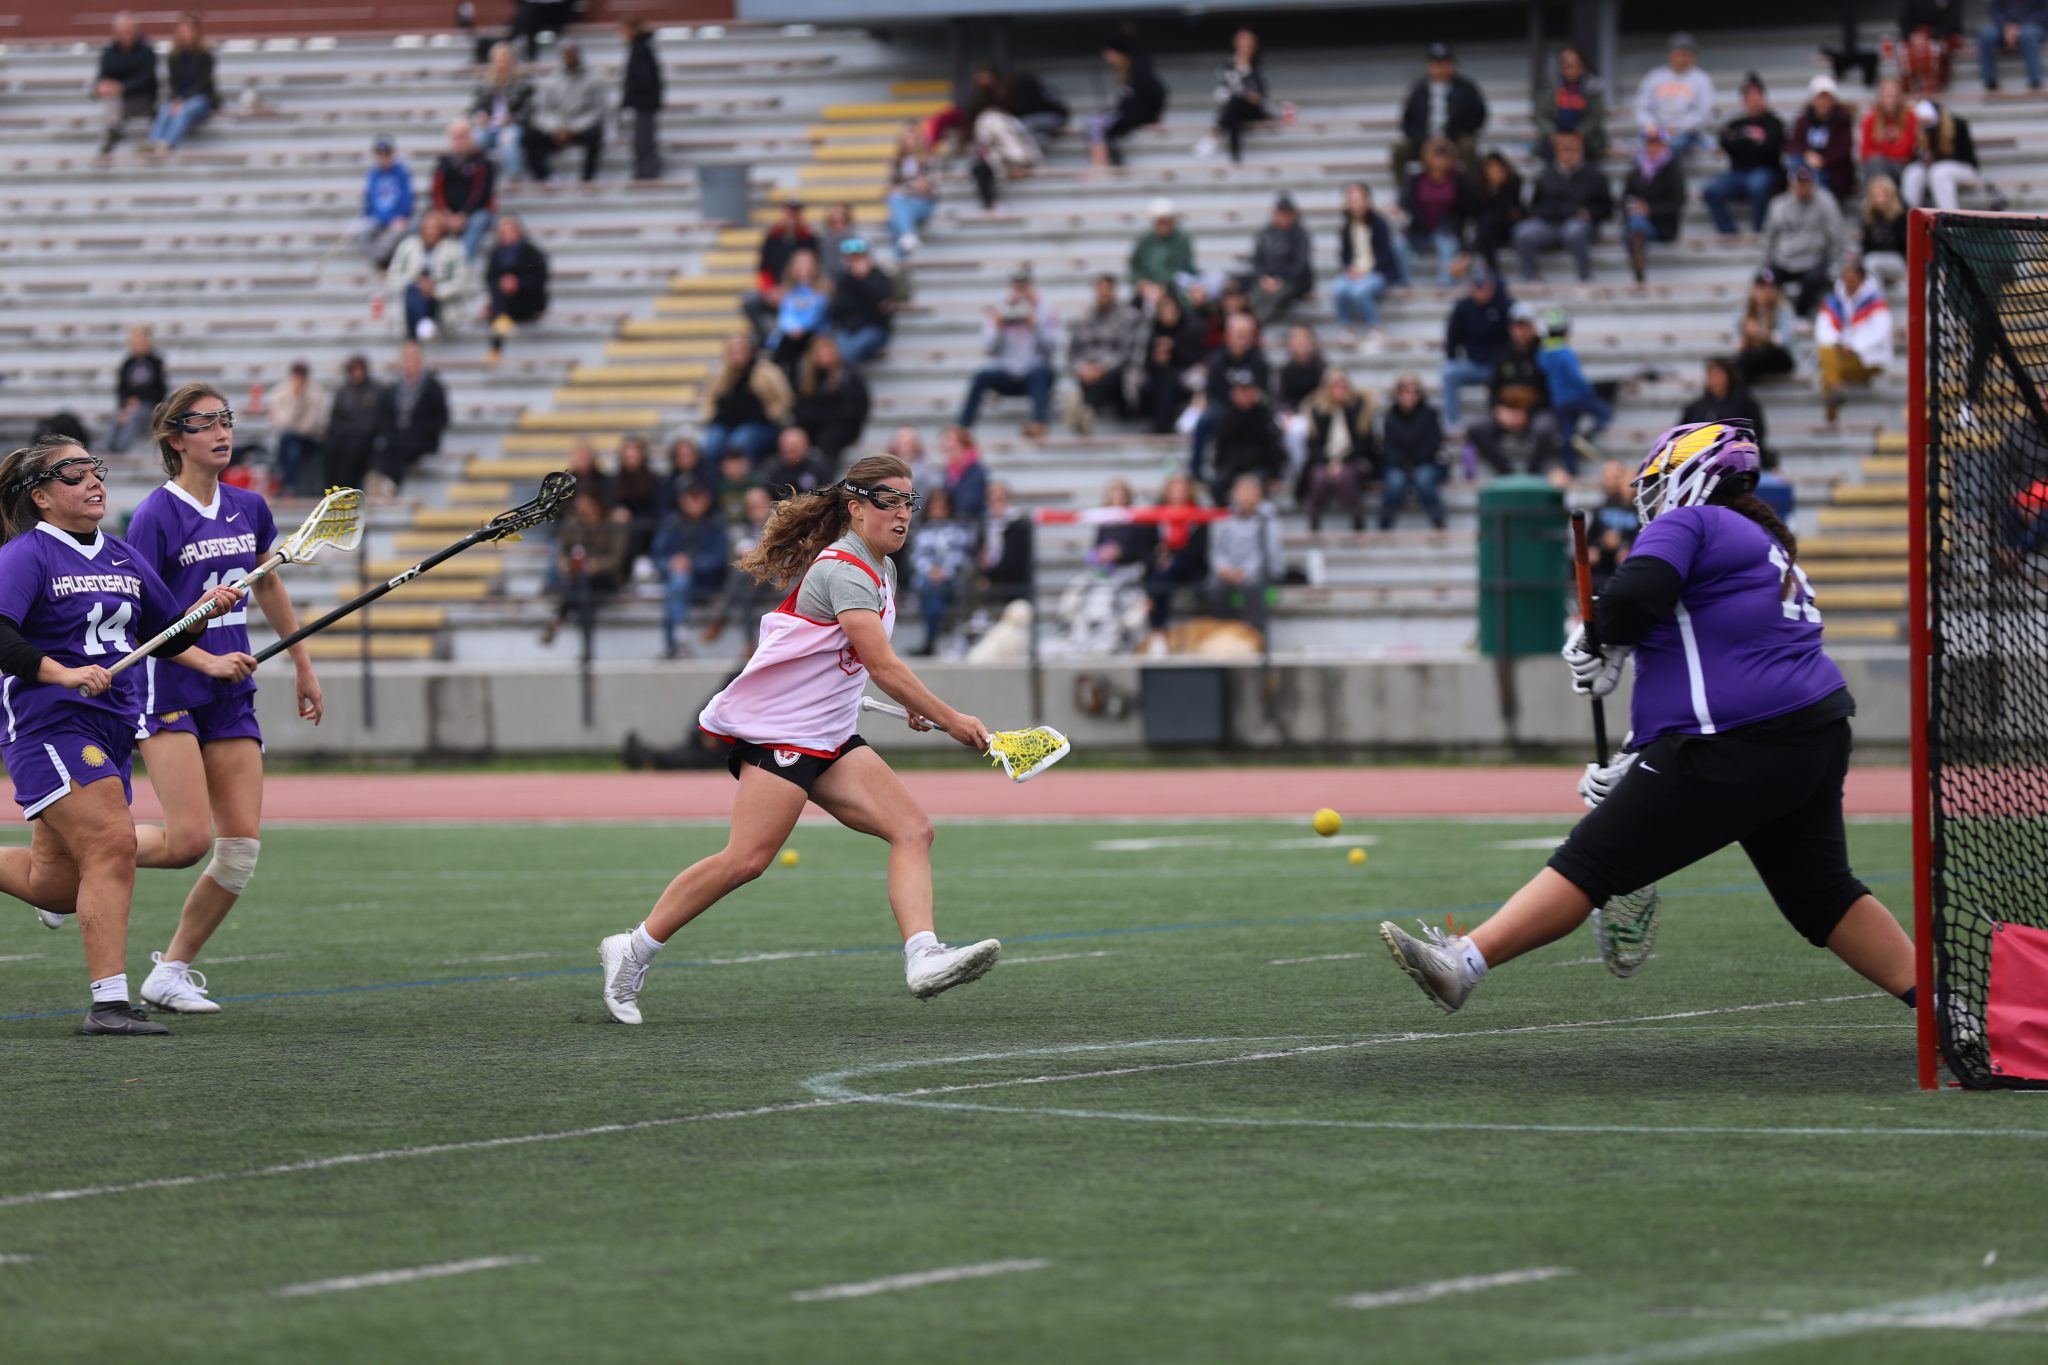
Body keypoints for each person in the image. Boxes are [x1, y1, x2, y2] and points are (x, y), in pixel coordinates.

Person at [1380, 422, 1919, 1031]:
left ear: (1693, 477)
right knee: (1823, 893)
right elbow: (1707, 651)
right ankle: (1943, 1004)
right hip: (1815, 731)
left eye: (1659, 482)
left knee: (1589, 861)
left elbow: (1637, 597)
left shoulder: (1690, 522)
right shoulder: (1760, 540)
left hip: (1738, 738)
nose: (1651, 497)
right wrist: (1638, 750)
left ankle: (1464, 963)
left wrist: (1598, 635)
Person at [597, 456, 1003, 1023]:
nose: (903, 513)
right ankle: (632, 949)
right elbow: (882, 665)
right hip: (781, 734)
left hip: (829, 734)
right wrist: (950, 718)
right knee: (746, 860)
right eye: (889, 501)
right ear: (856, 508)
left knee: (913, 830)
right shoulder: (845, 570)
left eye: (909, 501)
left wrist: (915, 706)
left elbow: (851, 660)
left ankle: (923, 957)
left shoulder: (883, 569)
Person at [0, 435, 244, 1034]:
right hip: (49, 721)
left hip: (112, 725)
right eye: (72, 473)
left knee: (55, 888)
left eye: (94, 469)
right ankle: (109, 1006)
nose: (92, 481)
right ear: (41, 497)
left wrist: (204, 614)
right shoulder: (27, 555)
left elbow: (167, 634)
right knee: (112, 843)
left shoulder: (120, 555)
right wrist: (63, 673)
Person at [125, 385, 324, 1018]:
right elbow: (142, 619)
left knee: (239, 850)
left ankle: (171, 970)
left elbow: (268, 585)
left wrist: (302, 663)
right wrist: (202, 641)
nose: (221, 431)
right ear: (174, 438)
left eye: (226, 419)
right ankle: (76, 854)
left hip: (231, 689)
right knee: (186, 842)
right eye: (204, 422)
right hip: (170, 687)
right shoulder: (155, 515)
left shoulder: (248, 506)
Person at [958, 267, 1060, 439]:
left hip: (1035, 375)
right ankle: (963, 428)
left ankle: (1039, 424)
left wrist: (1035, 325)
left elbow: (1052, 347)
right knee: (981, 377)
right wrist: (999, 328)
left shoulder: (1046, 309)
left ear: (1031, 286)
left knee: (1039, 373)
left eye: (1024, 287)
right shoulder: (999, 309)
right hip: (1008, 374)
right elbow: (989, 348)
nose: (1021, 292)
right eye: (1017, 287)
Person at [1513, 129, 1613, 284]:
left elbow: (1607, 207)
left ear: (1581, 149)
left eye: (1572, 148)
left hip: (1578, 224)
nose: (1568, 153)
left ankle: (1585, 278)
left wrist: (1590, 213)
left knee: (1574, 231)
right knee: (1523, 232)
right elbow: (1535, 207)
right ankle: (1532, 279)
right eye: (1563, 149)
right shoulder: (1546, 175)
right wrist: (1552, 212)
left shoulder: (1595, 175)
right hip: (1549, 224)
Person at [1187, 313, 1268, 482]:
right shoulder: (1216, 359)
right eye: (1239, 336)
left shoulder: (1259, 360)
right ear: (1228, 336)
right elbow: (1212, 391)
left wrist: (1248, 399)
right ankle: (1196, 469)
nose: (1242, 341)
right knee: (1204, 421)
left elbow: (1264, 391)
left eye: (1246, 336)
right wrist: (1233, 400)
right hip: (1223, 406)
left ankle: (1269, 470)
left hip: (1252, 408)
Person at [651, 481, 728, 658]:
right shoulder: (672, 523)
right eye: (690, 497)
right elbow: (657, 556)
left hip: (706, 582)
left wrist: (691, 563)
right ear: (681, 500)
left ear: (707, 500)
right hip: (677, 580)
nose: (694, 502)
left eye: (698, 497)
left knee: (678, 583)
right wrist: (671, 563)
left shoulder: (716, 523)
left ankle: (674, 642)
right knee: (679, 582)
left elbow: (720, 558)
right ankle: (679, 639)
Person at [1703, 74, 1785, 236]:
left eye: (1757, 97)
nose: (1754, 102)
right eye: (1750, 98)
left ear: (1764, 99)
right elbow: (1725, 142)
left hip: (1765, 171)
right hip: (1738, 173)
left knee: (1757, 185)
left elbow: (1770, 148)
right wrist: (1750, 139)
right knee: (1711, 190)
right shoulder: (1736, 123)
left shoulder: (1774, 123)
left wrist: (1741, 139)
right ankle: (1728, 232)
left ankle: (1758, 231)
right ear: (1744, 101)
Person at [1760, 165, 1847, 318]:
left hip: (1813, 260)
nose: (1803, 188)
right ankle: (1772, 317)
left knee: (1815, 279)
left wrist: (1835, 264)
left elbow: (1836, 236)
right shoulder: (1778, 205)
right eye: (1800, 185)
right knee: (1765, 279)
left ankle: (1800, 314)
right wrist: (1766, 264)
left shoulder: (1826, 202)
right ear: (1791, 185)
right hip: (1784, 260)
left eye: (1807, 184)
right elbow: (1769, 237)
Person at [543, 491, 629, 645]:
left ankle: (559, 620)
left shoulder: (612, 525)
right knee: (584, 596)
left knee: (581, 588)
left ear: (597, 505)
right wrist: (564, 562)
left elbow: (616, 558)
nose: (584, 511)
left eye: (588, 506)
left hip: (606, 577)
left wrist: (596, 565)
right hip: (580, 577)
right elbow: (561, 551)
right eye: (580, 507)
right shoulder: (572, 525)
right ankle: (587, 649)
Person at [1815, 257, 1892, 424]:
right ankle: (1835, 393)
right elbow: (1823, 329)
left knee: (1827, 369)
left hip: (1868, 359)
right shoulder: (1833, 302)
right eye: (1846, 279)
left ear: (1861, 280)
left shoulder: (1876, 302)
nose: (1849, 283)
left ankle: (1832, 415)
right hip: (1842, 356)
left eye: (1853, 279)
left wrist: (1853, 347)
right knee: (1826, 351)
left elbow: (1880, 332)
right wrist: (1839, 345)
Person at [1393, 42, 1487, 178]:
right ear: (1429, 66)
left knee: (1468, 146)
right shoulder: (1419, 90)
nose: (1440, 67)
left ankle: (1471, 185)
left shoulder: (1466, 88)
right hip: (1423, 140)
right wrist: (1421, 139)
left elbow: (1478, 115)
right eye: (1436, 63)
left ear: (1452, 65)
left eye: (1444, 63)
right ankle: (1404, 189)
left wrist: (1456, 133)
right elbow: (1408, 119)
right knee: (1400, 149)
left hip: (1455, 139)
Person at [1205, 474, 1282, 635]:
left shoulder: (1267, 517)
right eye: (1243, 491)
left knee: (1253, 587)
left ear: (1259, 495)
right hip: (1227, 569)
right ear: (1235, 494)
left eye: (1252, 492)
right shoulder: (1223, 516)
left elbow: (1268, 551)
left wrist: (1245, 572)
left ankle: (1255, 633)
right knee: (1213, 589)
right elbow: (1216, 549)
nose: (1247, 496)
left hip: (1257, 570)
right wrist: (1224, 569)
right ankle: (1228, 631)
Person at [700, 334, 793, 464]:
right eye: (734, 351)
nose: (737, 355)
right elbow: (709, 399)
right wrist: (711, 415)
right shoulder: (721, 375)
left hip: (760, 424)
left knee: (739, 443)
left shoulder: (767, 372)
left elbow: (785, 398)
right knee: (712, 444)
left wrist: (771, 415)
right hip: (726, 424)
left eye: (741, 350)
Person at [1067, 273, 1141, 434]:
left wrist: (1101, 368)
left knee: (1114, 377)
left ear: (1115, 291)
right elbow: (1073, 353)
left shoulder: (1128, 316)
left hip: (1116, 376)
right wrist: (1082, 369)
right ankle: (1086, 408)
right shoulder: (1083, 318)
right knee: (1090, 380)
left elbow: (1126, 352)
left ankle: (1085, 404)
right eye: (1100, 289)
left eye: (1107, 288)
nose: (1104, 293)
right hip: (1087, 373)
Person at [522, 41, 604, 184]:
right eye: (566, 54)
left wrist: (572, 128)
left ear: (578, 55)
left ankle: (587, 179)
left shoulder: (593, 80)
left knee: (595, 134)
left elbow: (596, 111)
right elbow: (543, 110)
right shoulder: (551, 80)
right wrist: (557, 128)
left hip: (580, 128)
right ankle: (545, 177)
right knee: (529, 137)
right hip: (556, 129)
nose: (569, 57)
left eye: (572, 53)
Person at [1142, 472, 1211, 642]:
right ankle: (1159, 631)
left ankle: (1157, 629)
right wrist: (1159, 556)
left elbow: (1198, 550)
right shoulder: (1156, 514)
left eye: (1182, 490)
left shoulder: (1198, 515)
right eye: (1175, 490)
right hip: (1161, 566)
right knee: (1161, 576)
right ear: (1167, 492)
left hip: (1190, 567)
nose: (1178, 493)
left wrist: (1171, 558)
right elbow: (1147, 548)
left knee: (1162, 576)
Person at [1303, 370, 1375, 533]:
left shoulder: (1359, 410)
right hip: (1324, 461)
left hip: (1354, 460)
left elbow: (1365, 445)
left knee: (1346, 476)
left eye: (1343, 387)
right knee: (1318, 476)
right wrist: (1329, 462)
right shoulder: (1317, 412)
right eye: (1336, 387)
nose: (1340, 391)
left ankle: (1357, 518)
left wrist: (1342, 462)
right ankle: (1315, 519)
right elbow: (1313, 446)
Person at [1440, 271, 1513, 429]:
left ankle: (1505, 420)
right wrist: (1452, 356)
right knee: (1448, 372)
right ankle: (1453, 423)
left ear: (1492, 287)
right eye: (1476, 287)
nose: (1480, 292)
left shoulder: (1504, 306)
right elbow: (1452, 337)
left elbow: (1513, 338)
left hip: (1500, 365)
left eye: (1484, 287)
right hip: (1473, 363)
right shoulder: (1462, 308)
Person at [372, 342, 450, 492]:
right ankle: (381, 486)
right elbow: (384, 418)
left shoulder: (433, 388)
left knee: (397, 449)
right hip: (397, 439)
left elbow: (441, 419)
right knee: (381, 448)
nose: (409, 363)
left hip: (423, 439)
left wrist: (420, 430)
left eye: (412, 359)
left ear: (421, 361)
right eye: (406, 359)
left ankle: (390, 487)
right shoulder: (393, 388)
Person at [1397, 142, 1473, 291]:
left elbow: (1466, 210)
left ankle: (1444, 283)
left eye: (1443, 156)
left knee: (1448, 244)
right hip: (1419, 229)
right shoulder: (1416, 179)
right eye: (1436, 156)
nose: (1439, 161)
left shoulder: (1460, 180)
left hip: (1447, 229)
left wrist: (1465, 245)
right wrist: (1398, 209)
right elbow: (1405, 201)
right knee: (1399, 244)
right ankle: (1404, 282)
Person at [1334, 183, 1402, 350]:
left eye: (1358, 200)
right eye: (1351, 200)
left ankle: (1375, 328)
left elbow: (1385, 255)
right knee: (1338, 289)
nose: (1355, 204)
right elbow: (1345, 256)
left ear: (1367, 201)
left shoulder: (1379, 224)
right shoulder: (1346, 227)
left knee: (1360, 292)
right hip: (1355, 272)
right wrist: (1350, 269)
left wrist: (1365, 271)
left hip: (1378, 273)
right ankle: (1347, 328)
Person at [385, 210, 469, 343]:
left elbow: (460, 282)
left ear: (442, 230)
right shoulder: (408, 245)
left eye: (435, 228)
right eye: (428, 227)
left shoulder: (454, 249)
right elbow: (393, 275)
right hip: (410, 296)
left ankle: (417, 333)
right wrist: (416, 283)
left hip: (441, 302)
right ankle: (423, 323)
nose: (431, 232)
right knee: (414, 291)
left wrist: (435, 290)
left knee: (422, 293)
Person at [907, 486, 973, 654]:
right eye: (934, 505)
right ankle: (936, 629)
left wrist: (943, 571)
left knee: (934, 590)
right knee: (929, 588)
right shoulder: (921, 531)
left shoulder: (958, 531)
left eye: (942, 505)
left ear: (949, 507)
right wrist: (930, 570)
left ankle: (931, 639)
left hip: (951, 578)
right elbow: (916, 556)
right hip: (927, 578)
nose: (938, 509)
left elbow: (960, 556)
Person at [1130, 291, 1207, 435]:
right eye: (1164, 309)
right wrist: (1157, 359)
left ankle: (1161, 425)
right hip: (1158, 374)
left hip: (1187, 373)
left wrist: (1174, 352)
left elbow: (1197, 356)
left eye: (1171, 309)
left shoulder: (1191, 327)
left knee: (1167, 381)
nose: (1168, 314)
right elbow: (1145, 361)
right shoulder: (1153, 330)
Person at [1207, 368, 1286, 506]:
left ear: (1255, 392)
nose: (1244, 394)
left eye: (1248, 390)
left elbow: (1273, 447)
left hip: (1259, 465)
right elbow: (1221, 446)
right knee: (1217, 485)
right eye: (1240, 390)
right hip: (1233, 465)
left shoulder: (1265, 415)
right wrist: (1220, 468)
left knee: (1254, 486)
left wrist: (1275, 474)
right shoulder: (1225, 416)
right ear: (1233, 393)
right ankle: (1228, 515)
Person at [741, 199, 816, 341]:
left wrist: (791, 290)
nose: (792, 217)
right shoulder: (772, 237)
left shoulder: (808, 239)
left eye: (795, 213)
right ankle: (770, 336)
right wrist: (770, 290)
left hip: (800, 291)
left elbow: (813, 270)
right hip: (775, 290)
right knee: (750, 302)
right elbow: (764, 269)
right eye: (790, 212)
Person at [1537, 308, 1610, 452]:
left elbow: (1543, 370)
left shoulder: (1542, 351)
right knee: (1604, 411)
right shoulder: (1565, 351)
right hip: (1574, 397)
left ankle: (1570, 464)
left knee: (1567, 432)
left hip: (1558, 400)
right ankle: (1587, 437)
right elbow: (1575, 377)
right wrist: (1589, 391)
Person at [1379, 375, 1447, 531]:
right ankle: (1384, 525)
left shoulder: (1430, 414)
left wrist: (1415, 462)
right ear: (1398, 394)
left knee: (1423, 479)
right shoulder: (1390, 417)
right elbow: (1388, 446)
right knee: (1395, 482)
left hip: (1426, 462)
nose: (1410, 396)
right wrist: (1403, 464)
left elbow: (1434, 443)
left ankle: (1438, 520)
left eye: (1414, 392)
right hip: (1398, 464)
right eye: (1406, 392)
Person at [1088, 37, 1167, 169]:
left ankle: (1100, 166)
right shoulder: (1127, 71)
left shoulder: (1138, 70)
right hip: (1130, 114)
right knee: (1097, 122)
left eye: (1109, 52)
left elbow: (1158, 91)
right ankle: (1108, 162)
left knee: (1095, 123)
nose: (1106, 56)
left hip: (1136, 116)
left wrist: (1155, 118)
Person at [1621, 126, 1687, 284]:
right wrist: (1632, 207)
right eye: (1649, 143)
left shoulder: (1673, 172)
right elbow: (1625, 199)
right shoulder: (1636, 172)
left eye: (1657, 143)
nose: (1652, 147)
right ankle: (1637, 258)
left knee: (1636, 224)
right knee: (1635, 223)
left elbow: (1677, 202)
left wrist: (1649, 210)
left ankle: (1638, 264)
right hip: (1637, 221)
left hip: (1663, 226)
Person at [1634, 32, 1716, 157]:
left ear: (1693, 57)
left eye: (1685, 55)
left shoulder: (1701, 80)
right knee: (1644, 148)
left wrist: (1676, 128)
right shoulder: (1655, 77)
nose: (1681, 59)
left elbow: (1703, 114)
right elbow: (1641, 107)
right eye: (1678, 54)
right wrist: (1651, 125)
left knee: (1668, 149)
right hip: (1655, 131)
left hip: (1685, 133)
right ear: (1670, 55)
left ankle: (1657, 164)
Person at [1197, 27, 1272, 163]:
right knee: (1235, 109)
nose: (1245, 44)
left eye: (1249, 41)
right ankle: (1235, 158)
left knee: (1236, 104)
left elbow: (1262, 92)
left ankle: (1214, 135)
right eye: (1242, 40)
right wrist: (1242, 94)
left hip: (1254, 109)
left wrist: (1253, 96)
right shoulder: (1227, 65)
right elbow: (1221, 92)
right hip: (1234, 108)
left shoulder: (1258, 65)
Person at [145, 12, 215, 156]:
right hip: (180, 98)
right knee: (165, 110)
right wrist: (177, 99)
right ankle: (154, 142)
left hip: (200, 98)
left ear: (196, 32)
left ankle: (167, 144)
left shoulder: (205, 56)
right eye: (183, 31)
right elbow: (174, 83)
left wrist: (183, 100)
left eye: (189, 31)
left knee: (184, 111)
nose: (186, 35)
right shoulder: (174, 57)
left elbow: (203, 84)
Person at [792, 334, 870, 463]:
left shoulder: (848, 376)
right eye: (820, 352)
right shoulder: (804, 378)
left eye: (828, 352)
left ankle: (821, 471)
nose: (824, 356)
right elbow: (800, 407)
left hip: (840, 427)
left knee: (828, 438)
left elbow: (854, 409)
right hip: (812, 426)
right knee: (792, 437)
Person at [1240, 195, 1314, 327]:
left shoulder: (1300, 235)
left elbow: (1300, 265)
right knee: (1256, 295)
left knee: (1275, 296)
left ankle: (1257, 323)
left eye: (1286, 215)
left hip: (1292, 280)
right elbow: (1257, 260)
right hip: (1267, 279)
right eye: (1280, 214)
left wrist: (1281, 279)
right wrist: (1265, 278)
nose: (1282, 218)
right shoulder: (1265, 233)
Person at [432, 119, 497, 263]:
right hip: (449, 213)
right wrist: (445, 213)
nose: (460, 141)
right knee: (425, 222)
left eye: (463, 136)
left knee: (477, 221)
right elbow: (436, 192)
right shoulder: (444, 163)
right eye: (456, 137)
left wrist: (463, 215)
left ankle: (462, 263)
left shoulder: (482, 162)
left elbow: (481, 193)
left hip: (477, 212)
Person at [94, 13, 158, 160]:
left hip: (142, 99)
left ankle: (112, 134)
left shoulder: (146, 52)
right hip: (117, 99)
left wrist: (122, 87)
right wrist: (102, 86)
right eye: (123, 31)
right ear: (116, 32)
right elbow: (103, 75)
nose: (127, 35)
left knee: (113, 100)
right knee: (110, 98)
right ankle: (113, 131)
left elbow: (146, 80)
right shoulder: (109, 52)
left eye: (130, 31)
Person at [322, 355, 390, 490]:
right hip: (344, 436)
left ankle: (347, 489)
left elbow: (375, 419)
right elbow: (335, 419)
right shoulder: (342, 391)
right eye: (354, 370)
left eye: (360, 369)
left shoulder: (376, 391)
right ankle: (333, 489)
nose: (358, 373)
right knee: (329, 449)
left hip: (366, 438)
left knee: (352, 451)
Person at [469, 42, 533, 183]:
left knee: (508, 139)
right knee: (477, 138)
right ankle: (477, 176)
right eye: (499, 61)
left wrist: (512, 118)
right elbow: (474, 108)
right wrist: (481, 116)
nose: (502, 64)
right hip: (490, 126)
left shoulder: (522, 84)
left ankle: (514, 176)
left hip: (512, 125)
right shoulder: (484, 84)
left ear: (512, 62)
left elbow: (529, 110)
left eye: (505, 60)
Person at [1532, 45, 1608, 164]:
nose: (1571, 68)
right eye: (1566, 64)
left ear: (1583, 66)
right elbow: (1541, 115)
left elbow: (1595, 116)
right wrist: (1554, 134)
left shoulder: (1592, 85)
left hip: (1586, 138)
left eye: (1575, 64)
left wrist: (1578, 133)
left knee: (1589, 155)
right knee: (1548, 153)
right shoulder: (1550, 85)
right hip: (1554, 136)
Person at [1273, 324, 1328, 488]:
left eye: (1304, 339)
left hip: (1316, 413)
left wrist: (1306, 411)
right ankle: (1287, 468)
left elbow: (1324, 396)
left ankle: (1304, 471)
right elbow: (1281, 397)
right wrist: (1286, 412)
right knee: (1280, 425)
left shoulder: (1322, 367)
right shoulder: (1286, 369)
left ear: (1313, 342)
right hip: (1293, 413)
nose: (1299, 343)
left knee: (1298, 430)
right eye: (1295, 339)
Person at [1900, 100, 1980, 211]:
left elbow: (1967, 157)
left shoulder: (1958, 124)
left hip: (1964, 169)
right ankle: (1907, 215)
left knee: (1939, 172)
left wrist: (1936, 158)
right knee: (1913, 172)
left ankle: (1949, 215)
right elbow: (1914, 156)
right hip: (1932, 169)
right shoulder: (1920, 129)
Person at [1789, 75, 1857, 203]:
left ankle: (1818, 207)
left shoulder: (1842, 120)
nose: (1823, 102)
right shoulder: (1803, 120)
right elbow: (1793, 143)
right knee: (1796, 162)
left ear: (1833, 99)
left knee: (1814, 175)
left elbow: (1843, 149)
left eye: (1827, 98)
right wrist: (1807, 154)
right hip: (1807, 164)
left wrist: (1821, 160)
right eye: (1820, 98)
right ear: (1813, 99)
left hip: (1832, 170)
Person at [265, 362, 328, 497]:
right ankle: (289, 486)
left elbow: (310, 425)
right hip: (288, 439)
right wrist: (294, 399)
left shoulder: (316, 393)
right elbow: (282, 422)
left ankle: (286, 483)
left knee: (289, 443)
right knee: (292, 449)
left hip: (310, 439)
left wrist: (299, 400)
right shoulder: (281, 392)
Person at [351, 136, 415, 269]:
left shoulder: (401, 172)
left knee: (397, 232)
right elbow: (369, 199)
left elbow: (407, 197)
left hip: (396, 218)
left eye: (386, 154)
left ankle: (382, 261)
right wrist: (365, 216)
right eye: (380, 154)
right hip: (377, 218)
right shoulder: (373, 174)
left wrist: (402, 216)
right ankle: (381, 258)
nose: (383, 157)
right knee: (359, 229)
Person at [1679, 357, 1769, 451]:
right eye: (1711, 376)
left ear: (1728, 376)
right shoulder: (1696, 408)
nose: (1714, 380)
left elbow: (1757, 433)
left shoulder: (1746, 404)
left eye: (1718, 375)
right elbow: (1682, 435)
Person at [970, 98, 1042, 211]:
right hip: (1019, 159)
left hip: (1014, 159)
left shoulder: (986, 120)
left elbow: (984, 141)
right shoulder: (1013, 120)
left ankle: (989, 205)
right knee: (981, 167)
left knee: (981, 167)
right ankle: (990, 205)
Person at [973, 480, 1034, 612]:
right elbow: (979, 552)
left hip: (1012, 582)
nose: (995, 504)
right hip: (990, 580)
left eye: (999, 499)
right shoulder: (984, 524)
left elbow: (1015, 561)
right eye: (991, 500)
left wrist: (989, 570)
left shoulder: (1018, 524)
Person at [766, 249, 828, 376]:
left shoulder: (824, 288)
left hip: (816, 332)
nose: (804, 267)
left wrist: (802, 327)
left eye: (807, 263)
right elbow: (785, 313)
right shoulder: (786, 290)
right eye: (800, 263)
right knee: (785, 345)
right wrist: (792, 327)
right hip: (792, 333)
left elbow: (818, 313)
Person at [1467, 399, 1567, 478]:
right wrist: (1501, 412)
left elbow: (1546, 398)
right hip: (1505, 413)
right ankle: (1506, 472)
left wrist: (1526, 413)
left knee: (1545, 429)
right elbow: (1494, 395)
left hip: (1535, 413)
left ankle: (1533, 473)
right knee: (1477, 430)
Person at [107, 326, 166, 455]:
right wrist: (126, 405)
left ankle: (121, 448)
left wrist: (139, 401)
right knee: (117, 416)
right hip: (129, 405)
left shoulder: (156, 363)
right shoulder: (127, 363)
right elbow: (122, 389)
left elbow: (159, 390)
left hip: (149, 405)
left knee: (135, 415)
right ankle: (108, 446)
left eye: (141, 342)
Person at [1734, 269, 1800, 384]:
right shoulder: (1744, 310)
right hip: (1754, 357)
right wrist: (1746, 338)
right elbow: (1736, 343)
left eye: (1769, 288)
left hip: (1779, 356)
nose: (1765, 292)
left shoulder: (1783, 308)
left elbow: (1786, 340)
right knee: (1745, 362)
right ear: (1754, 289)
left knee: (1749, 360)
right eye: (1762, 287)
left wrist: (1763, 335)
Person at [617, 17, 663, 181]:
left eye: (624, 30)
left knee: (643, 140)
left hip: (644, 103)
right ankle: (644, 171)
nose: (621, 34)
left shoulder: (641, 50)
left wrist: (630, 98)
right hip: (643, 101)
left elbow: (643, 78)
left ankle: (647, 173)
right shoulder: (639, 48)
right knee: (641, 139)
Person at [1129, 199, 1200, 300]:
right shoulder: (1145, 239)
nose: (1165, 225)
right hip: (1150, 287)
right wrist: (1140, 282)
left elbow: (1185, 267)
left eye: (1168, 221)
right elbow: (1135, 266)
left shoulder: (1182, 239)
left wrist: (1166, 285)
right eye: (1161, 222)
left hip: (1175, 287)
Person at [1468, 152, 1525, 279]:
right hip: (1488, 229)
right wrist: (1491, 189)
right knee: (1487, 226)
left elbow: (1511, 209)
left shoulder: (1514, 182)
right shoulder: (1478, 186)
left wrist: (1499, 188)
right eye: (1490, 168)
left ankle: (1471, 251)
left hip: (1507, 225)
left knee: (1489, 223)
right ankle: (1493, 272)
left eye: (1497, 168)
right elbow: (1476, 212)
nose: (1494, 172)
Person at [885, 122, 938, 255]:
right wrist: (911, 186)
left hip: (922, 204)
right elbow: (892, 186)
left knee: (896, 212)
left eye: (913, 138)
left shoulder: (928, 160)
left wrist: (905, 188)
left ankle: (902, 257)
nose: (910, 142)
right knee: (896, 212)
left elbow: (926, 187)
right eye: (906, 138)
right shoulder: (897, 161)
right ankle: (908, 238)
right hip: (904, 202)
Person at [1858, 77, 1919, 190]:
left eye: (1895, 96)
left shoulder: (1910, 117)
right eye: (1887, 96)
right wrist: (1892, 148)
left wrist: (1880, 148)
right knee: (1876, 163)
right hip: (1876, 166)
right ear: (1880, 97)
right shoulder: (1870, 118)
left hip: (1901, 168)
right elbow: (1865, 152)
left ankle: (1881, 199)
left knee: (1877, 162)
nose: (1891, 101)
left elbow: (1906, 152)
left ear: (1901, 97)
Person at [1588, 458, 1641, 587]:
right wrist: (1596, 546)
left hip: (1627, 562)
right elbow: (1591, 535)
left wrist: (1626, 545)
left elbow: (1641, 534)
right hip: (1603, 561)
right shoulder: (1605, 506)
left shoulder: (1641, 509)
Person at [1899, 0, 1967, 93]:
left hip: (1942, 35)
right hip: (1916, 35)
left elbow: (1953, 23)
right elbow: (1904, 21)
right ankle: (1911, 85)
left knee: (1934, 50)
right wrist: (1913, 35)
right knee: (1907, 51)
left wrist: (1930, 35)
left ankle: (1932, 85)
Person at [1979, 0, 2047, 90]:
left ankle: (2035, 81)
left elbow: (2043, 13)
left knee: (2028, 35)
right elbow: (1995, 10)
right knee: (1986, 35)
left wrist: (2019, 26)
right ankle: (1989, 80)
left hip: (2033, 25)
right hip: (2004, 26)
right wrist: (2006, 26)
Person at [1860, 175, 1910, 291]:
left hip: (1899, 260)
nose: (1879, 199)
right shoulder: (1869, 216)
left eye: (1882, 194)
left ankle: (1876, 300)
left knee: (1871, 262)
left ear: (1891, 195)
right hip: (1876, 260)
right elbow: (1866, 247)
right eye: (1875, 195)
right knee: (1867, 263)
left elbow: (1906, 246)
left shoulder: (1901, 215)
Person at [766, 426, 833, 495]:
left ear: (806, 445)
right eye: (785, 445)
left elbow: (828, 493)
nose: (789, 448)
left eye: (794, 445)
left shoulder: (819, 467)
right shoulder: (773, 469)